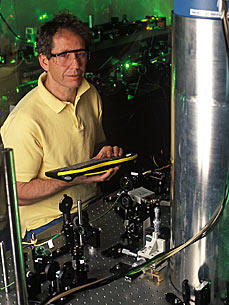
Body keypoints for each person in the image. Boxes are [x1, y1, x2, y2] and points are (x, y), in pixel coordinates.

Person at [1, 12, 123, 239]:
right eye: (64, 55)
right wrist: (72, 178)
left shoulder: (89, 93)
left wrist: (105, 156)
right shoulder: (25, 120)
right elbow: (15, 193)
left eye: (80, 54)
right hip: (46, 223)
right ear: (44, 61)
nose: (75, 64)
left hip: (91, 205)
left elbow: (95, 146)